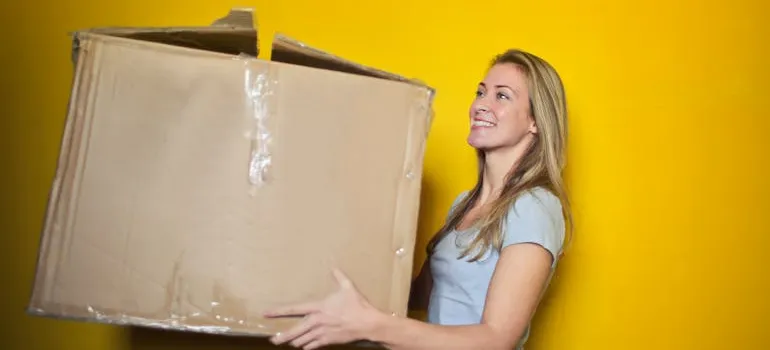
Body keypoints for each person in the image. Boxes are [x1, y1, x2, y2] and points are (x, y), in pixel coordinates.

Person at [264, 48, 572, 350]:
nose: (481, 105)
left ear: (535, 121)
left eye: (502, 96)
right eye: (480, 93)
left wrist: (371, 325)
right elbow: (418, 296)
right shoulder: (464, 204)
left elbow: (496, 339)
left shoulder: (533, 207)